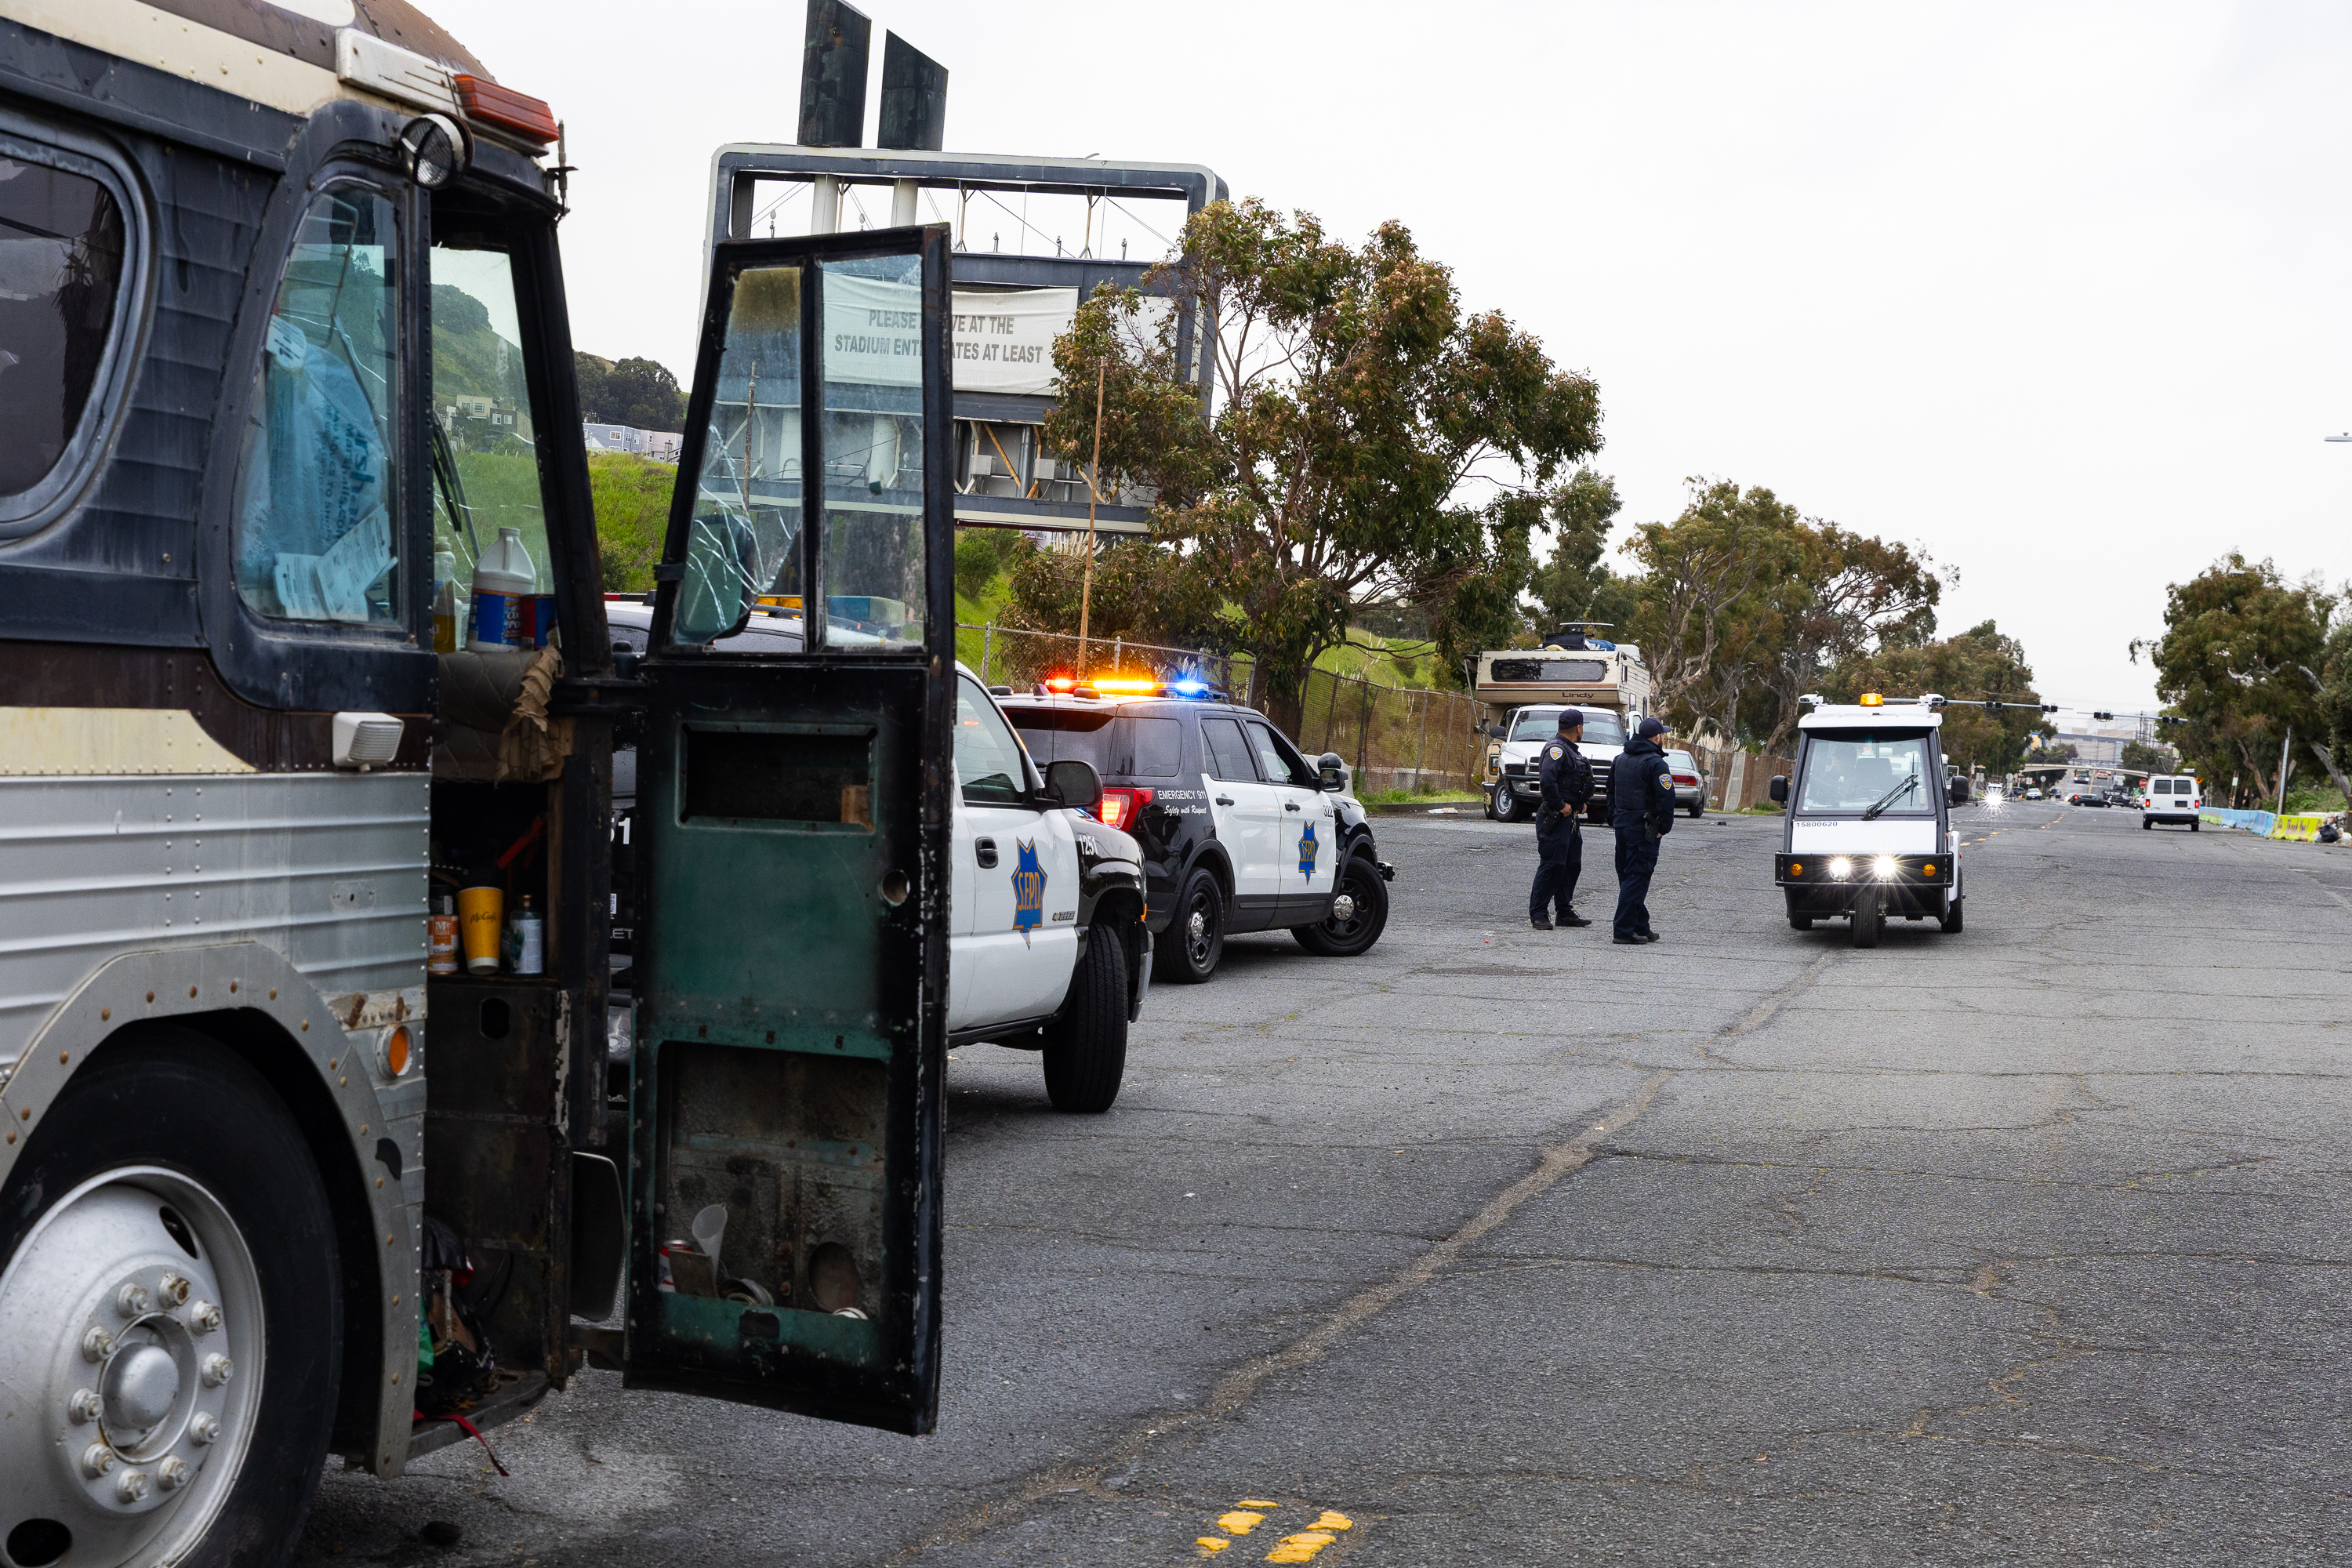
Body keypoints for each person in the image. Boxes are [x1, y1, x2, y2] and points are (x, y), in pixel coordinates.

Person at [1609, 717, 1678, 944]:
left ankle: (1640, 925)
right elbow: (1666, 798)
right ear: (1657, 737)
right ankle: (1623, 931)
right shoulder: (1656, 764)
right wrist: (1664, 828)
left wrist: (1614, 818)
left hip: (1622, 825)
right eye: (1663, 735)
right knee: (1637, 877)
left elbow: (1610, 791)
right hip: (1643, 828)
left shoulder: (1620, 759)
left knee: (1628, 876)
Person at [1528, 709, 1593, 929]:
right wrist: (1560, 804)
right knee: (1553, 866)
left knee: (1572, 865)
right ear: (1578, 728)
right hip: (1556, 818)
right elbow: (1547, 781)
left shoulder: (1572, 751)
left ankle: (1564, 912)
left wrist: (1579, 804)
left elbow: (1571, 783)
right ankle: (1539, 913)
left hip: (1571, 820)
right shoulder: (1556, 749)